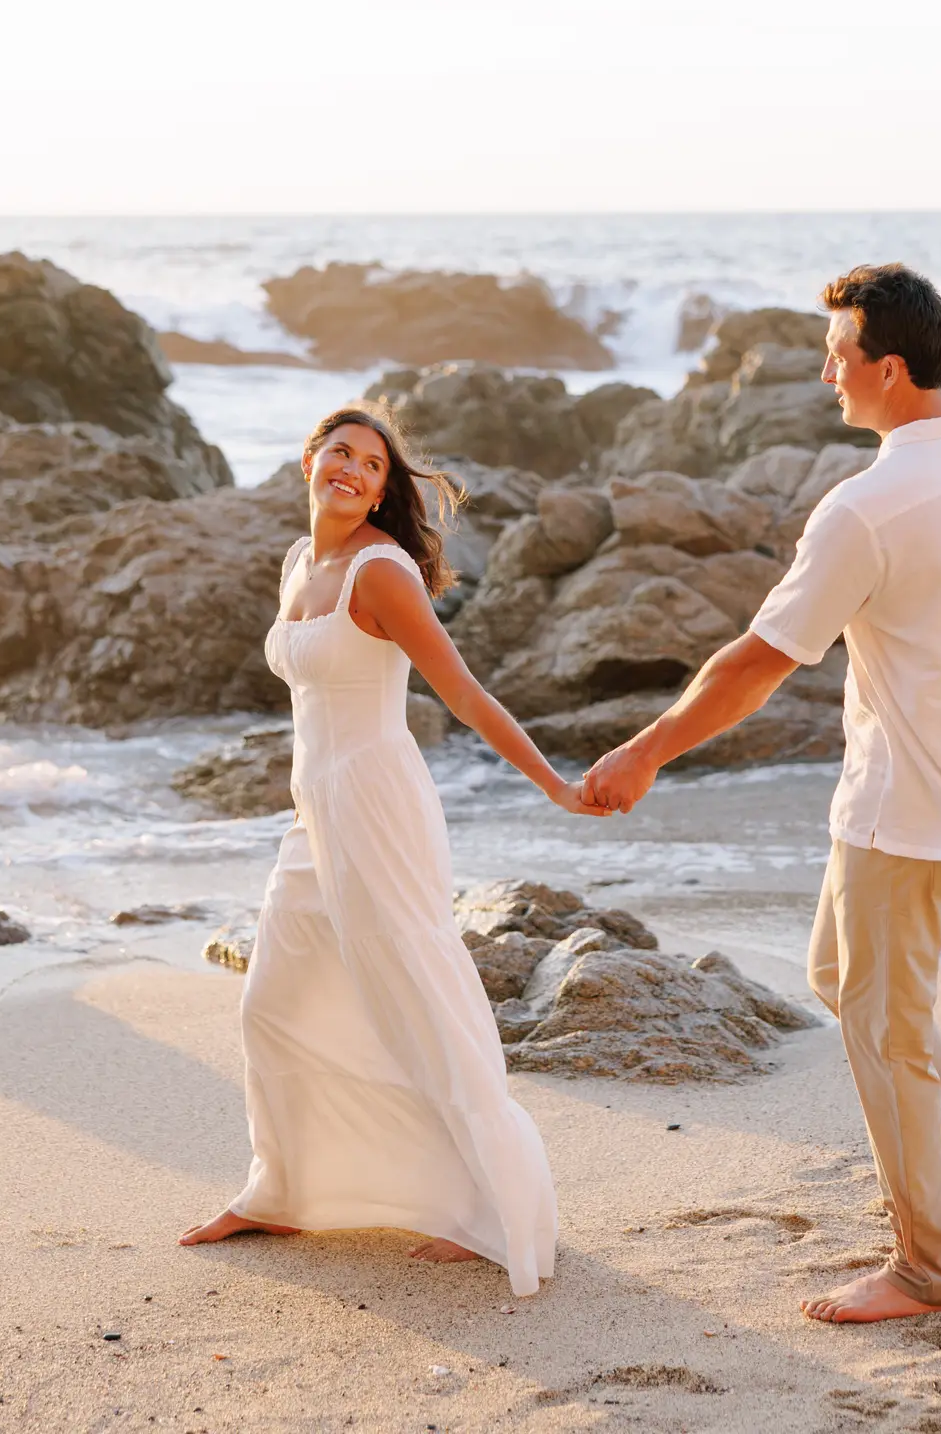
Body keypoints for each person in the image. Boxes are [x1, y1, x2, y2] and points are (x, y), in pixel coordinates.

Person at [583, 264, 941, 1324]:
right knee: (839, 976)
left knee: (883, 1029)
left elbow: (760, 657)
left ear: (887, 368)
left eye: (838, 356)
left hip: (900, 805)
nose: (825, 374)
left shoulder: (866, 504)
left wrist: (645, 748)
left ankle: (923, 1267)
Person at [181, 403, 607, 1296]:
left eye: (371, 466)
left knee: (419, 996)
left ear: (382, 490)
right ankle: (282, 1191)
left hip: (375, 806)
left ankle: (495, 1208)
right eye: (340, 452)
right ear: (309, 460)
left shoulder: (381, 572)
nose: (352, 470)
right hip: (315, 812)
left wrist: (555, 785)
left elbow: (465, 693)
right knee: (273, 1003)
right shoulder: (302, 562)